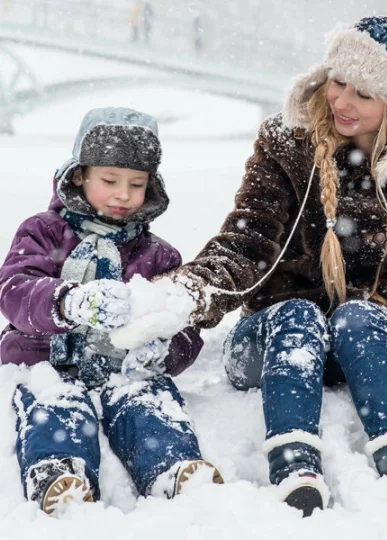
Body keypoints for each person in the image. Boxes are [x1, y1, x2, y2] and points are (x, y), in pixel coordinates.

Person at [131, 16, 387, 517]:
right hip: (274, 339)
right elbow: (246, 242)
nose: (341, 101)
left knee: (359, 316)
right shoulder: (286, 143)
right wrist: (186, 293)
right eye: (338, 81)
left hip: (368, 342)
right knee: (299, 315)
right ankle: (295, 469)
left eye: (363, 93)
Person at [0, 108, 223, 515]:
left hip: (124, 369)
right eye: (109, 181)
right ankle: (57, 470)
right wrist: (69, 302)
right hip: (46, 361)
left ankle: (172, 467)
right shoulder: (43, 232)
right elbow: (15, 291)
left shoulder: (158, 255)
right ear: (79, 174)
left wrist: (165, 349)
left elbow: (184, 325)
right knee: (54, 403)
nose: (123, 194)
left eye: (136, 184)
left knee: (149, 400)